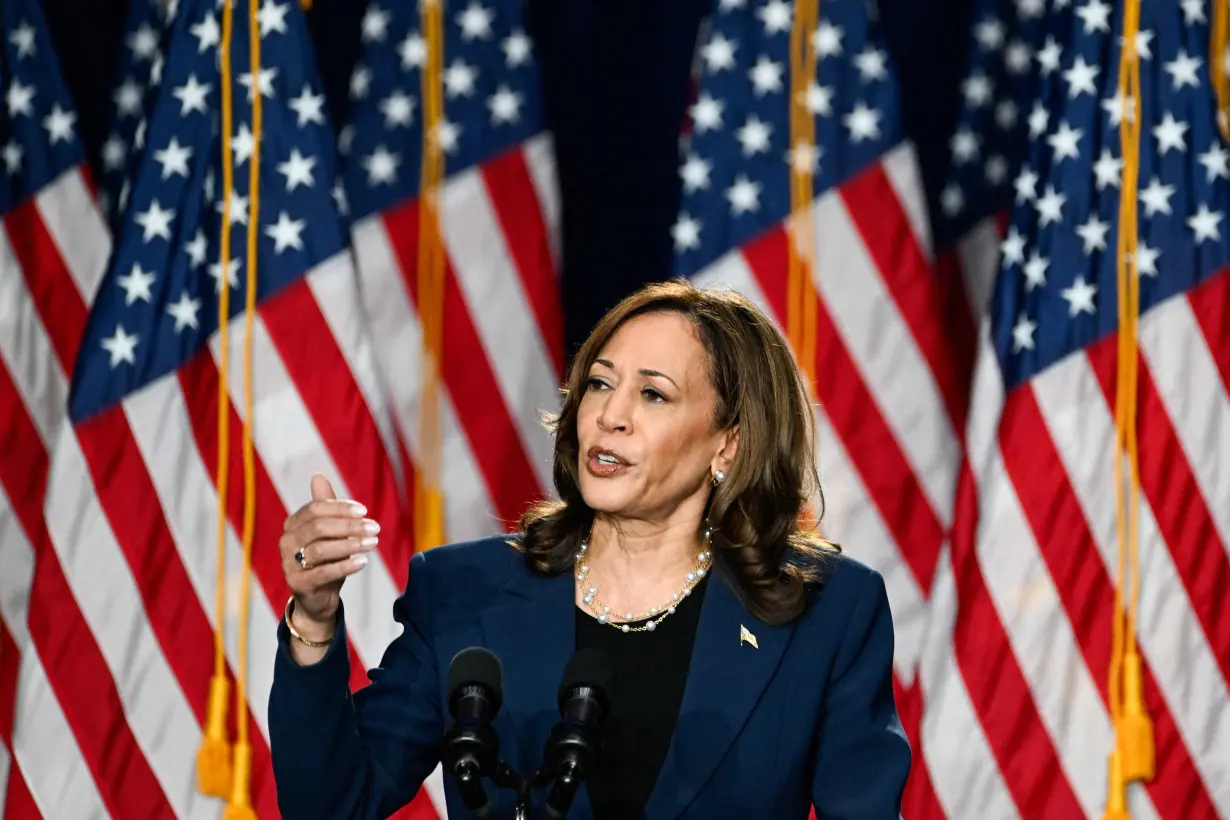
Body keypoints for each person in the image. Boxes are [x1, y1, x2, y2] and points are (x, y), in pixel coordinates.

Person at [268, 280, 911, 819]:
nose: (611, 415)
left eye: (653, 394)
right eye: (600, 384)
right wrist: (315, 620)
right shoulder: (463, 589)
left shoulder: (826, 612)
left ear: (729, 445)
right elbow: (333, 806)